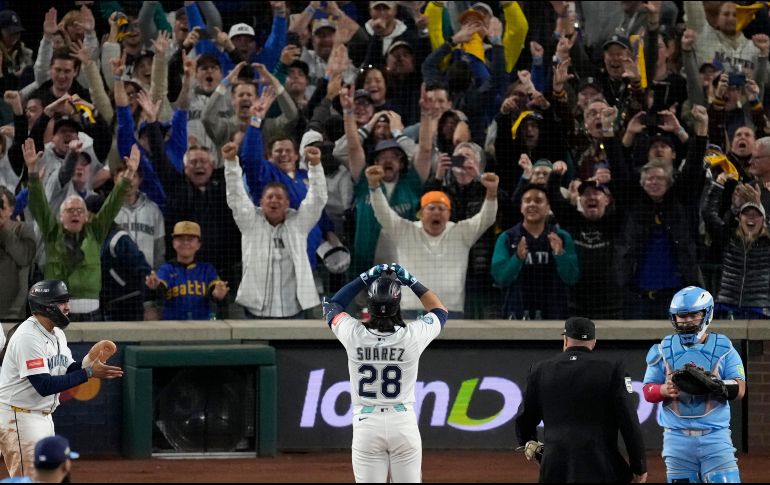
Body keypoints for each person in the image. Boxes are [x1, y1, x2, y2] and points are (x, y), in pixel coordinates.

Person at [323, 263, 448, 483]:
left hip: (366, 423)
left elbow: (332, 305)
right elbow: (439, 311)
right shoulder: (412, 336)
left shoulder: (354, 334)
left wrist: (364, 278)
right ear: (397, 303)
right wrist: (411, 280)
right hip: (403, 423)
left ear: (369, 304)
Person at [0, 280, 122, 477]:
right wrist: (89, 373)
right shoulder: (28, 337)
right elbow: (44, 385)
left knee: (50, 477)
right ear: (44, 305)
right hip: (19, 418)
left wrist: (90, 363)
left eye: (67, 301)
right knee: (31, 479)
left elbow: (68, 368)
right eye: (61, 302)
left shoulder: (56, 333)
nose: (68, 307)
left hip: (42, 416)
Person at [515, 317, 647, 483]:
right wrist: (639, 466)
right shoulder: (612, 369)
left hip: (555, 467)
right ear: (593, 342)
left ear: (565, 340)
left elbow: (524, 419)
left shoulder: (540, 370)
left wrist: (529, 443)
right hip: (601, 465)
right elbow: (630, 423)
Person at [642, 286, 747, 483]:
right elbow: (648, 390)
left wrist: (717, 385)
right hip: (677, 440)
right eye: (682, 316)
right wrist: (663, 390)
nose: (687, 320)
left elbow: (740, 388)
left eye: (693, 315)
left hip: (716, 438)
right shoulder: (662, 349)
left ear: (707, 314)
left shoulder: (724, 348)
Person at [223, 142, 326, 318]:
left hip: (294, 309)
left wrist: (315, 166)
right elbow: (236, 197)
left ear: (287, 203)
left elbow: (317, 199)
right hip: (255, 309)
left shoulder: (299, 224)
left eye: (279, 197)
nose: (274, 201)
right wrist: (231, 163)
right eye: (269, 197)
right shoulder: (249, 223)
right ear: (261, 203)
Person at [145, 221, 230, 321]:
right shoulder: (167, 268)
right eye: (180, 239)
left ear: (198, 244)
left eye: (190, 239)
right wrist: (155, 286)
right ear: (173, 243)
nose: (185, 242)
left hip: (203, 327)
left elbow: (214, 292)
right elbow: (161, 288)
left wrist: (218, 294)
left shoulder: (207, 269)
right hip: (172, 327)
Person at [0, 186, 36, 321]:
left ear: (11, 209)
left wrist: (2, 230)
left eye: (2, 205)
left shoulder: (23, 229)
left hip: (13, 314)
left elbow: (24, 258)